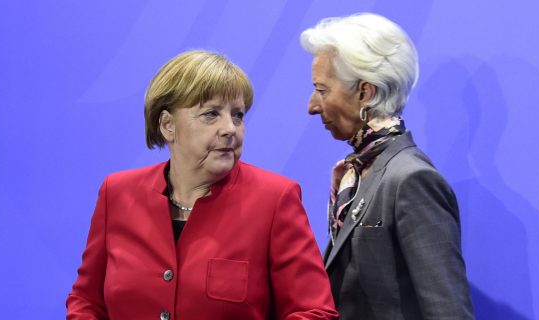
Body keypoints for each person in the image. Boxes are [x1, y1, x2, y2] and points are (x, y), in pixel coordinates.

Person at [66, 50, 338, 320]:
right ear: (167, 125)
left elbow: (314, 312)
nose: (230, 128)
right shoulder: (117, 193)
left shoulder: (275, 200)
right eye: (211, 114)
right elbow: (86, 301)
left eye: (238, 115)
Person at [300, 13, 475, 319]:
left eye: (323, 90)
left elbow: (447, 310)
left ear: (365, 93)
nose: (312, 105)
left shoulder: (411, 179)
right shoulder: (354, 174)